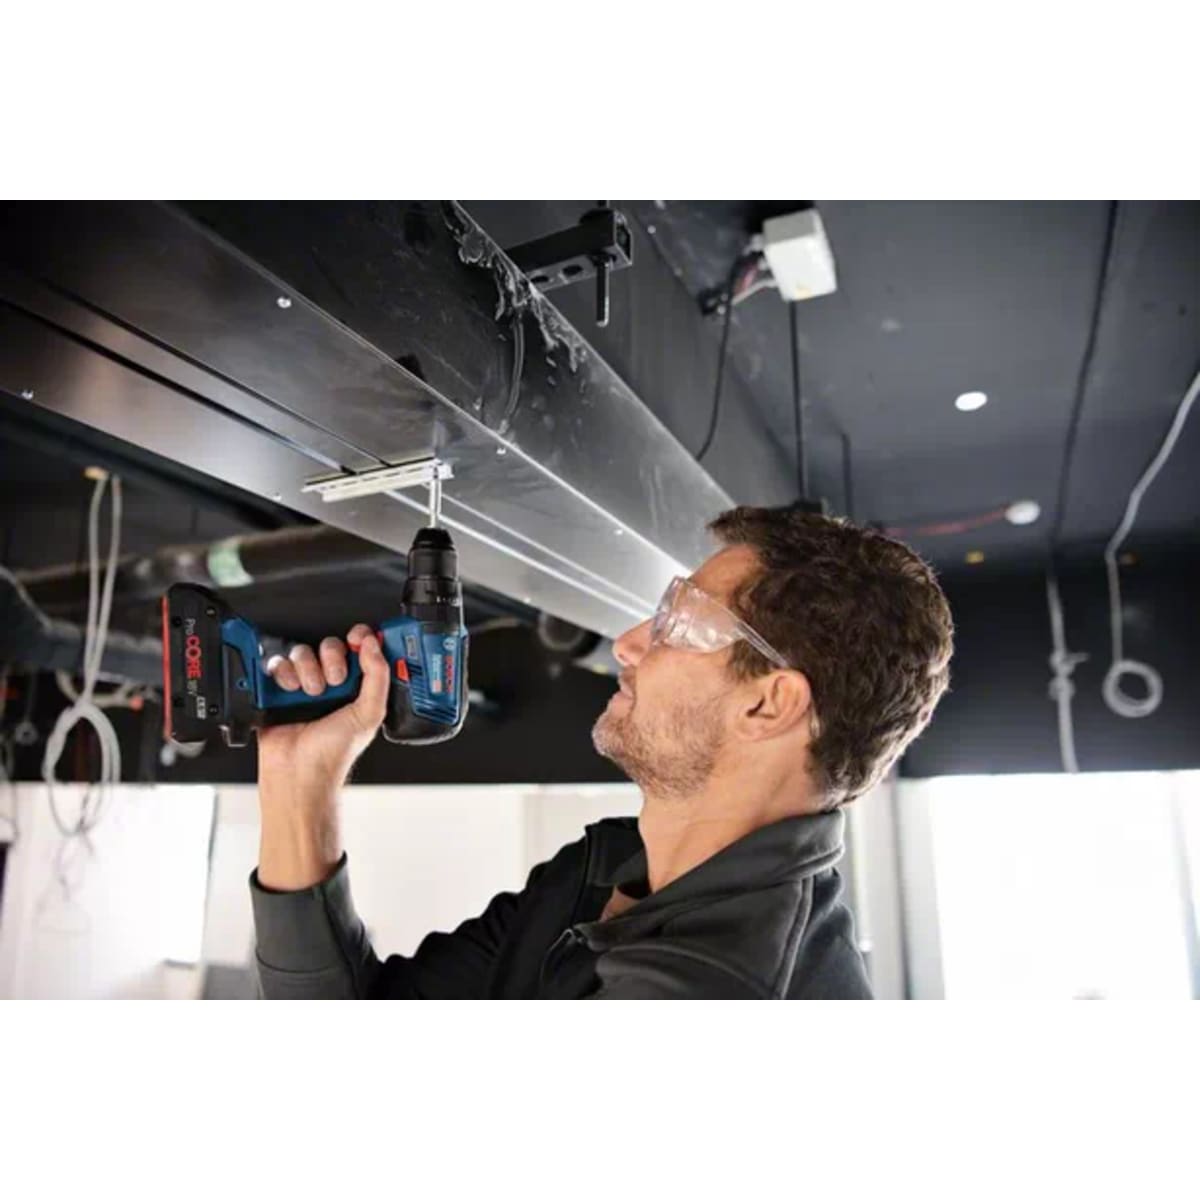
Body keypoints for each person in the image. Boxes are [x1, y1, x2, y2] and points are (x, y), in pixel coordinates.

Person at [250, 505, 954, 999]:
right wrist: (298, 781)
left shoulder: (714, 993)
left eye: (680, 622)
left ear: (768, 705)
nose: (628, 644)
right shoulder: (605, 870)